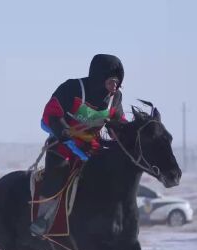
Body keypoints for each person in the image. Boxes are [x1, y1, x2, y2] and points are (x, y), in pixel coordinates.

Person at [31, 54, 127, 236]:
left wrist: (127, 139)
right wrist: (67, 135)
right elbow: (49, 117)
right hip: (62, 146)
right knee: (58, 173)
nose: (115, 86)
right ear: (99, 77)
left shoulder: (116, 98)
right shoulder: (72, 88)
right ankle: (43, 220)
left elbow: (117, 124)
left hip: (92, 148)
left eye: (117, 81)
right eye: (111, 80)